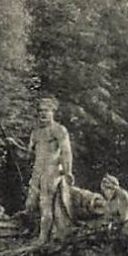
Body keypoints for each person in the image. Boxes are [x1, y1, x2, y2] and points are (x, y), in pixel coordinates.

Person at [23, 98, 74, 242]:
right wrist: (14, 145)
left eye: (46, 110)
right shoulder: (35, 133)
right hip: (37, 172)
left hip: (52, 171)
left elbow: (66, 152)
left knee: (45, 205)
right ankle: (32, 233)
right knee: (30, 204)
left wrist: (68, 170)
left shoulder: (59, 130)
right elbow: (29, 155)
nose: (42, 114)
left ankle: (43, 239)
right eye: (40, 111)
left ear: (53, 112)